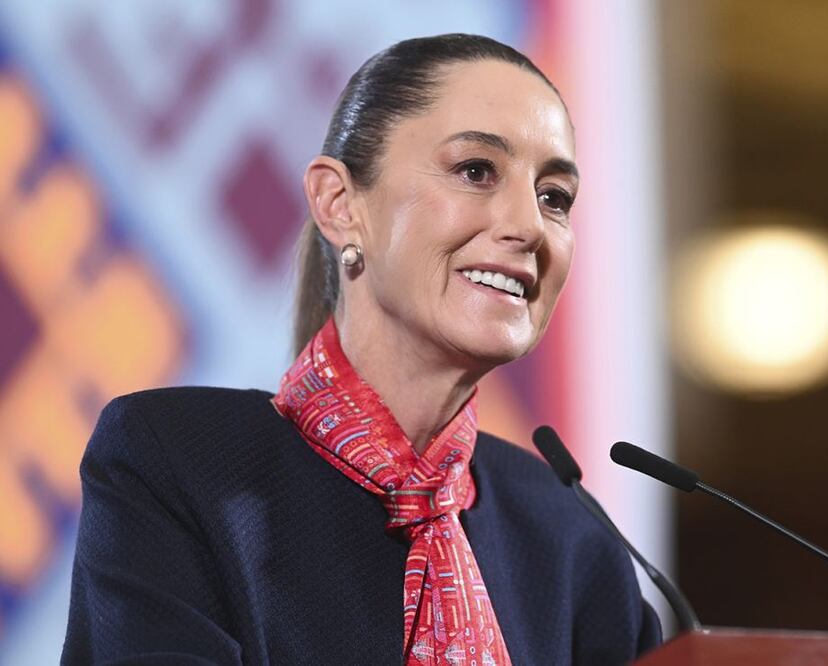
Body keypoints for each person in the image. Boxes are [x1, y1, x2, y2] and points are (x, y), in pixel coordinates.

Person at [62, 34, 661, 665]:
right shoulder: (176, 461)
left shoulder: (566, 536)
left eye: (554, 198)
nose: (529, 225)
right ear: (339, 204)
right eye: (476, 171)